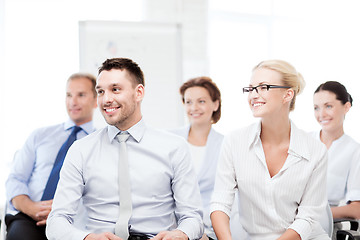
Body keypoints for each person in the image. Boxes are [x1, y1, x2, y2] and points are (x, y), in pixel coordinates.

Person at [46, 58, 204, 240]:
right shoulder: (80, 150)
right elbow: (56, 222)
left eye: (115, 89)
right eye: (100, 91)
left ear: (139, 93)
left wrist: (180, 234)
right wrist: (87, 238)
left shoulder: (174, 147)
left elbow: (192, 217)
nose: (106, 99)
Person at [210, 60, 330, 240]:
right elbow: (220, 203)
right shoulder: (234, 142)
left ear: (287, 94)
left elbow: (308, 217)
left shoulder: (315, 151)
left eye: (263, 87)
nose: (253, 95)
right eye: (250, 89)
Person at [5, 73, 98, 240]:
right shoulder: (40, 136)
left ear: (96, 100)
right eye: (69, 95)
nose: (73, 102)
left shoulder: (101, 143)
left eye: (81, 95)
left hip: (75, 223)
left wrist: (62, 214)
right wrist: (32, 208)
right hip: (29, 218)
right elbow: (15, 179)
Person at [172, 77, 246, 240]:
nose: (194, 108)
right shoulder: (170, 140)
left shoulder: (227, 145)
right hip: (172, 227)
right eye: (188, 102)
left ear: (215, 104)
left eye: (201, 101)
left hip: (210, 229)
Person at [313, 81, 360, 238]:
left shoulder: (354, 151)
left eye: (328, 106)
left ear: (346, 107)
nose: (321, 114)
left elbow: (356, 209)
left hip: (324, 226)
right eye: (316, 108)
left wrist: (318, 213)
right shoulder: (302, 141)